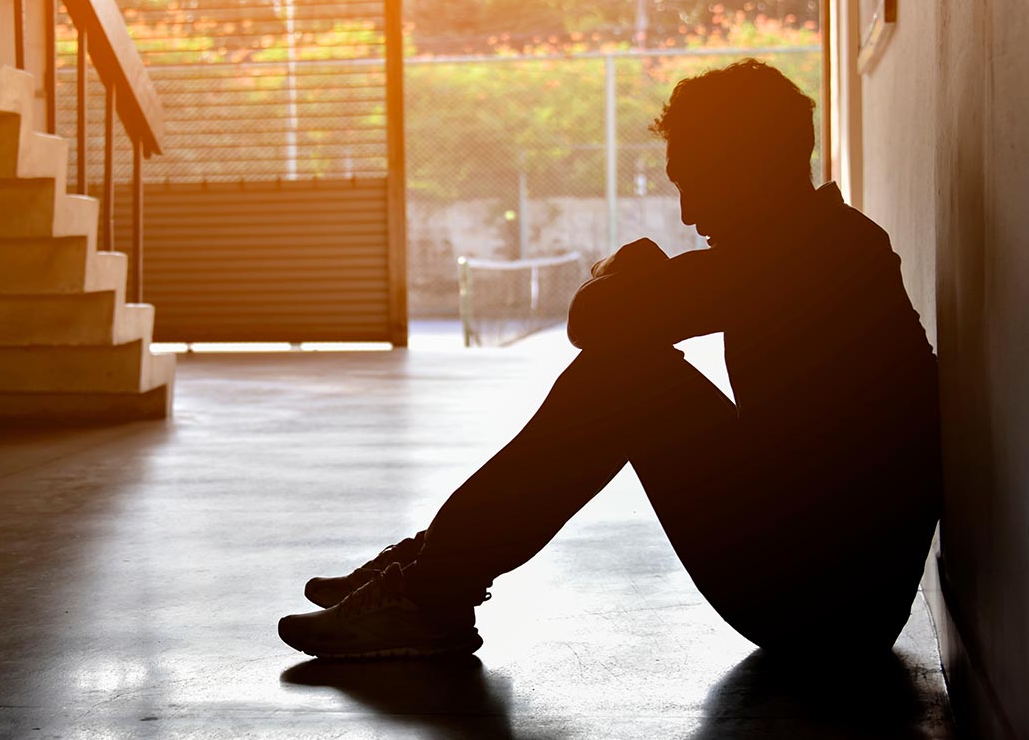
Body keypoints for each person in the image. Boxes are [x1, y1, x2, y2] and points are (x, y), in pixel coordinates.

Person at [278, 59, 941, 661]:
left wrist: (632, 262)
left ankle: (430, 589)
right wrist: (642, 273)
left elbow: (591, 321)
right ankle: (430, 570)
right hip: (823, 584)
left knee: (622, 379)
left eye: (696, 181)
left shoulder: (809, 256)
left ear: (748, 166)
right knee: (629, 373)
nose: (688, 209)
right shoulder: (824, 241)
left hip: (824, 609)